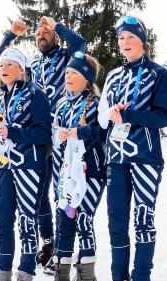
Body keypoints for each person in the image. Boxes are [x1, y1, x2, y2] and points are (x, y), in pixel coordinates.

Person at [0, 16, 87, 269]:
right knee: (39, 193)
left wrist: (57, 26)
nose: (40, 37)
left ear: (54, 35)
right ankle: (48, 241)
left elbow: (81, 45)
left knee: (63, 190)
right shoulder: (31, 62)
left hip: (61, 130)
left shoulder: (66, 56)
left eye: (45, 33)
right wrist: (10, 35)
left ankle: (65, 249)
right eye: (36, 35)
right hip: (33, 133)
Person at [0, 48, 51, 281]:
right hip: (5, 166)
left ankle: (26, 270)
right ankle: (2, 268)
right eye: (0, 66)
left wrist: (14, 132)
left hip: (30, 166)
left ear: (21, 69)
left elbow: (44, 133)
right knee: (3, 218)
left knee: (27, 218)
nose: (3, 70)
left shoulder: (35, 93)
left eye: (9, 65)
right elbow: (0, 137)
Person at [97, 16, 167, 281]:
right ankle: (118, 276)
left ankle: (140, 276)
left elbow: (163, 116)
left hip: (145, 158)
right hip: (116, 158)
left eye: (131, 37)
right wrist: (112, 113)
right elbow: (103, 119)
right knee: (116, 223)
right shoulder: (114, 76)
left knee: (143, 221)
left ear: (142, 41)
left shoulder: (158, 73)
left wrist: (130, 116)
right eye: (121, 38)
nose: (124, 42)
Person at [50, 52, 105, 280]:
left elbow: (105, 133)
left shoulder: (97, 104)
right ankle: (61, 272)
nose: (68, 76)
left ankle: (86, 274)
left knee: (83, 218)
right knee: (64, 221)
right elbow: (52, 135)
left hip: (91, 172)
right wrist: (59, 136)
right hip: (64, 174)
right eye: (67, 73)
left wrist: (80, 132)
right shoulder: (61, 104)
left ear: (87, 77)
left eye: (74, 72)